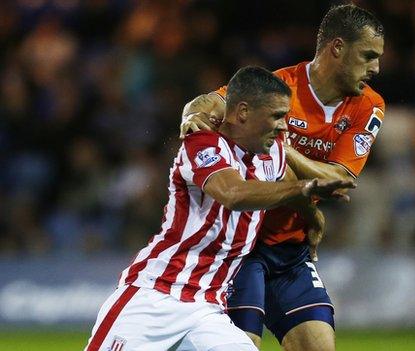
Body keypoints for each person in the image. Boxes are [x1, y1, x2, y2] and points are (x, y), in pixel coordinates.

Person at [85, 66, 354, 351]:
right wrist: (305, 188)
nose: (283, 126)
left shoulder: (272, 152)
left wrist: (313, 216)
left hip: (208, 309)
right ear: (242, 112)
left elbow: (286, 185)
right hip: (156, 295)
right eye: (276, 116)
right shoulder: (203, 143)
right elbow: (233, 193)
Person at [179, 4, 385, 350]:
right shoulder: (277, 89)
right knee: (240, 345)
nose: (376, 68)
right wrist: (192, 114)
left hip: (291, 249)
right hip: (242, 246)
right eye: (367, 56)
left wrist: (279, 145)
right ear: (337, 48)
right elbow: (207, 105)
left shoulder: (368, 106)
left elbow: (339, 178)